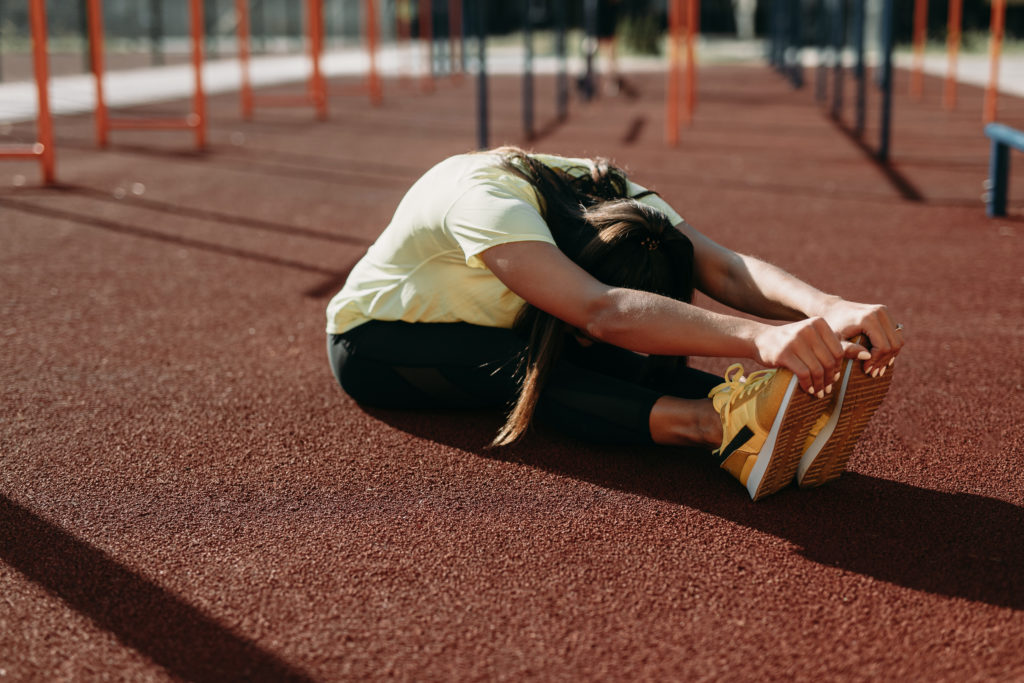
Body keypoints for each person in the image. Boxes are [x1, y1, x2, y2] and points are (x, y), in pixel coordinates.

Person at [325, 148, 904, 500]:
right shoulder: (486, 203)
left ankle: (763, 412)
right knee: (529, 366)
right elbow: (603, 311)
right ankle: (714, 427)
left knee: (604, 352)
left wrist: (825, 307)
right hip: (376, 342)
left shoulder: (613, 194)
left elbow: (724, 270)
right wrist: (760, 338)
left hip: (525, 316)